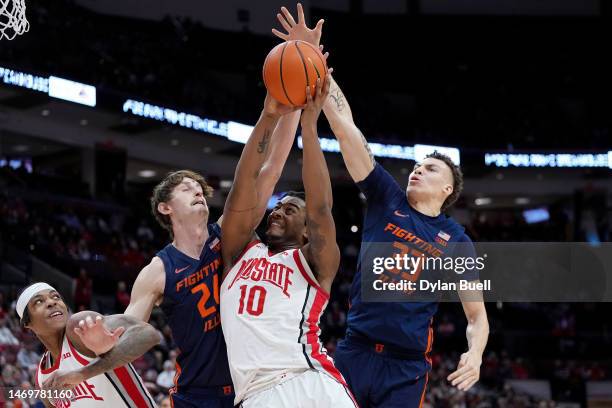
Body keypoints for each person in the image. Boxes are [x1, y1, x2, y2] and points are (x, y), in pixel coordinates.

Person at [273, 4, 490, 407]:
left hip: (406, 368)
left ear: (448, 189)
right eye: (416, 166)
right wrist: (314, 58)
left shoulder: (456, 241)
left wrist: (474, 353)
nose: (416, 171)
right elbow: (345, 125)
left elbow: (476, 317)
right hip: (355, 351)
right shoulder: (386, 196)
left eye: (428, 169)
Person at [117, 101, 301, 406]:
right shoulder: (158, 271)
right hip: (197, 394)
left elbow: (271, 169)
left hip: (253, 386)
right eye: (187, 189)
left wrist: (294, 105)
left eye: (199, 189)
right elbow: (127, 333)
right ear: (166, 207)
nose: (197, 191)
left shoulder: (229, 234)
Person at [220, 68, 357, 407]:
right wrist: (268, 116)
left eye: (291, 209)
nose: (278, 211)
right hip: (255, 395)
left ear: (308, 228)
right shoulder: (240, 251)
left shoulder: (315, 261)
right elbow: (243, 185)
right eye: (276, 207)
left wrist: (309, 129)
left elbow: (322, 207)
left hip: (310, 380)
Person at [18, 282, 159, 407]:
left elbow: (148, 334)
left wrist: (83, 374)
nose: (51, 302)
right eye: (38, 302)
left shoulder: (80, 326)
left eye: (56, 297)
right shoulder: (41, 378)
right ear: (27, 323)